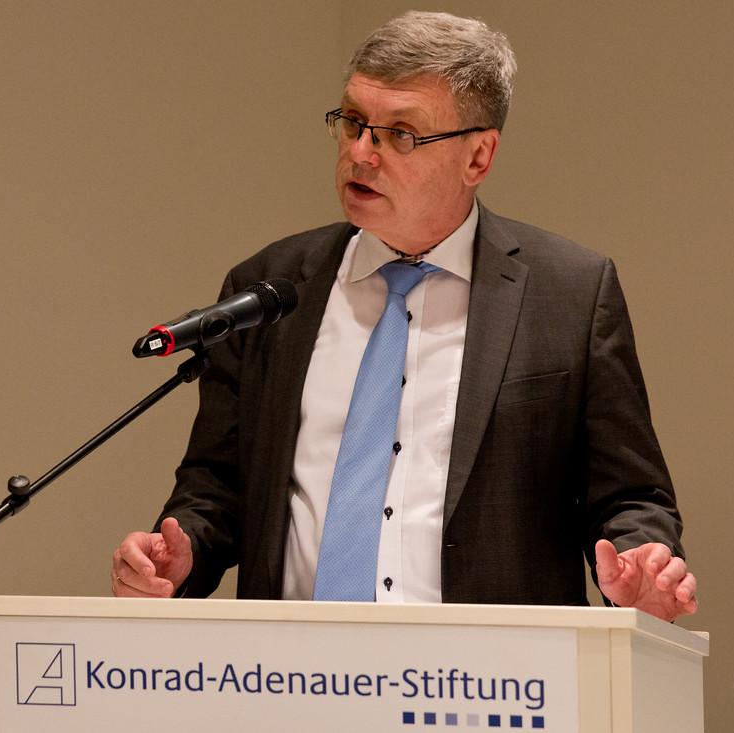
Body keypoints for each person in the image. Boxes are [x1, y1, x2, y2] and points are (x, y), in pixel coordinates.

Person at [111, 11, 697, 622]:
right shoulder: (270, 290)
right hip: (287, 669)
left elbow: (630, 496)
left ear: (478, 157)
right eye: (354, 122)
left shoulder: (569, 295)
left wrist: (642, 565)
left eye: (401, 134)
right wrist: (181, 555)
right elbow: (216, 486)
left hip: (492, 674)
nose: (362, 153)